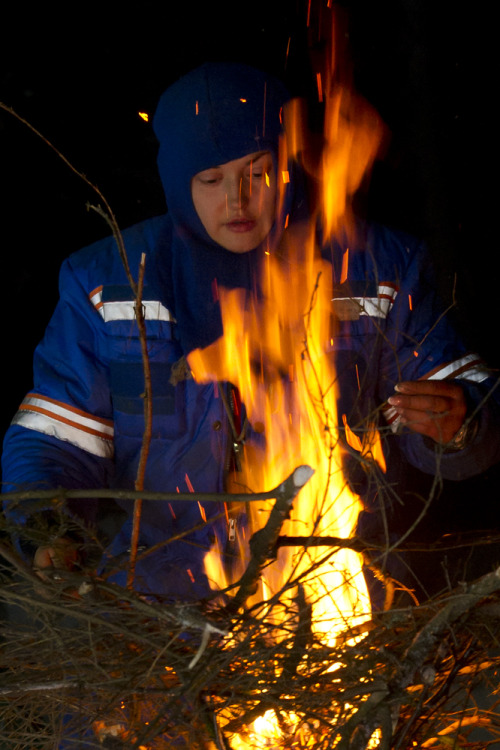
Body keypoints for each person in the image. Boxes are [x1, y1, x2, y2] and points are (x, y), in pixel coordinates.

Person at [2, 62, 500, 608]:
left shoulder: (375, 265)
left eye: (257, 171)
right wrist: (49, 528)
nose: (237, 200)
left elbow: (455, 394)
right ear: (177, 181)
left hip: (341, 578)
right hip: (163, 597)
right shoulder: (110, 280)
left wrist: (459, 425)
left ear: (285, 167)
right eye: (211, 180)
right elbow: (57, 435)